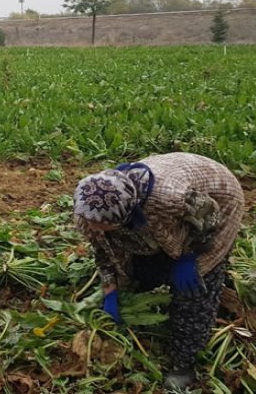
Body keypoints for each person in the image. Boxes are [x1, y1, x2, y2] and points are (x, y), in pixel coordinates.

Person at [72, 152, 244, 390]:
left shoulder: (168, 200)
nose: (92, 226)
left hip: (217, 202)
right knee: (141, 268)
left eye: (101, 224)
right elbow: (104, 251)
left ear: (125, 216)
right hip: (168, 207)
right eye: (89, 221)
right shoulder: (90, 210)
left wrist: (190, 256)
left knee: (193, 287)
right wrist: (110, 290)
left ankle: (184, 363)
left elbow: (210, 218)